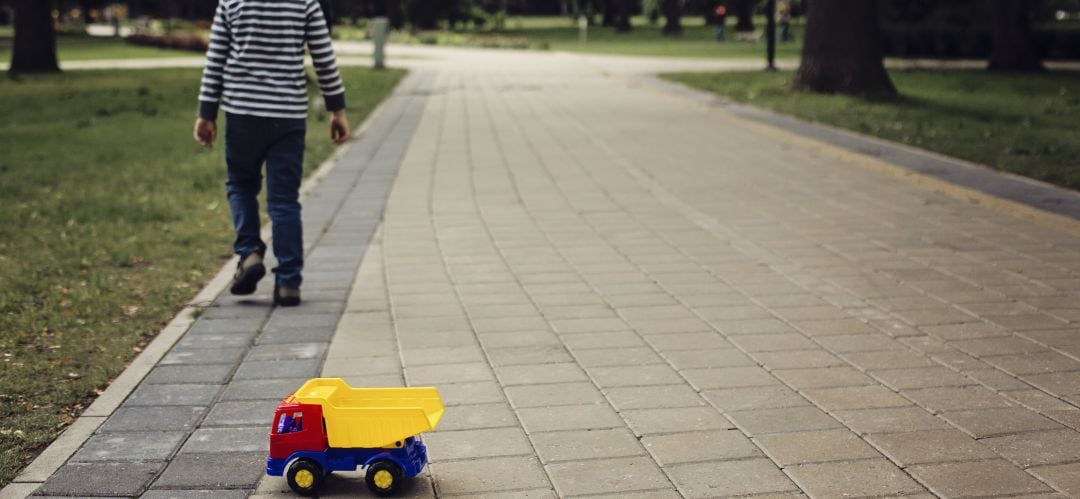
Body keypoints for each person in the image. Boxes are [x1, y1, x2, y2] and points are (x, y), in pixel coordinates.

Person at [193, 0, 350, 307]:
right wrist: (337, 110)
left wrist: (206, 112)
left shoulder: (232, 2)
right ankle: (289, 281)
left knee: (240, 184)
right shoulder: (305, 3)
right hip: (288, 115)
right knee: (283, 200)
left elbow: (216, 59)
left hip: (242, 114)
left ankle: (249, 252)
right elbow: (324, 58)